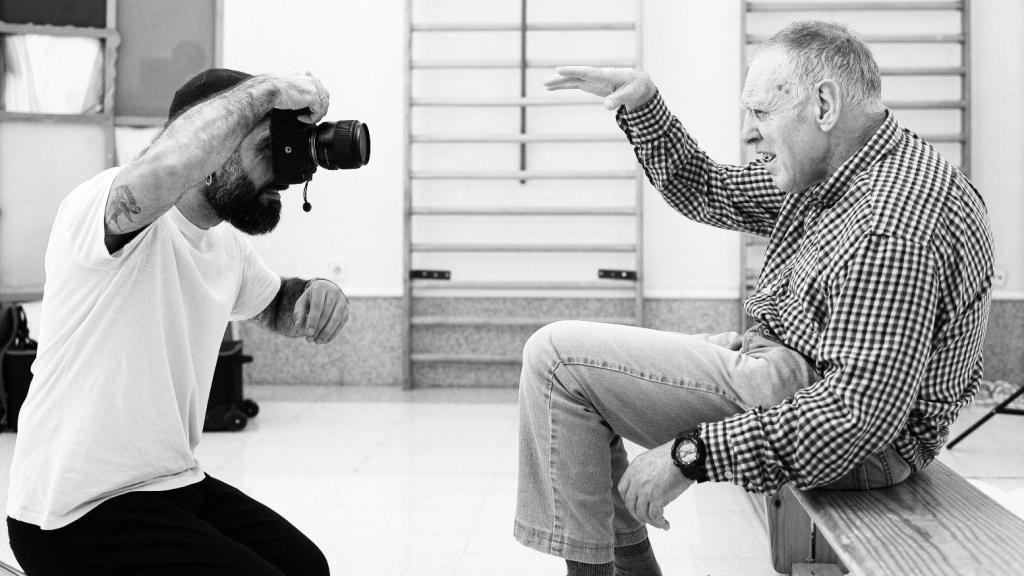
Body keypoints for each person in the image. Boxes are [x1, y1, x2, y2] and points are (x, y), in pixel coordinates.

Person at [515, 21, 993, 576]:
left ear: (824, 105)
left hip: (858, 437)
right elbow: (709, 188)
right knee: (577, 372)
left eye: (761, 113)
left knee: (557, 360)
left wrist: (691, 453)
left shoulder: (891, 222)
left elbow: (855, 417)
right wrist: (643, 104)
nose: (748, 132)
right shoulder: (839, 169)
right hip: (802, 377)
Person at [6, 68, 349, 575]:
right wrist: (269, 92)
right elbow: (167, 166)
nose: (283, 173)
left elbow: (277, 302)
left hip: (172, 483)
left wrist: (317, 293)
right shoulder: (103, 207)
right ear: (208, 148)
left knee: (306, 567)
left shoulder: (226, 247)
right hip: (74, 512)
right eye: (265, 149)